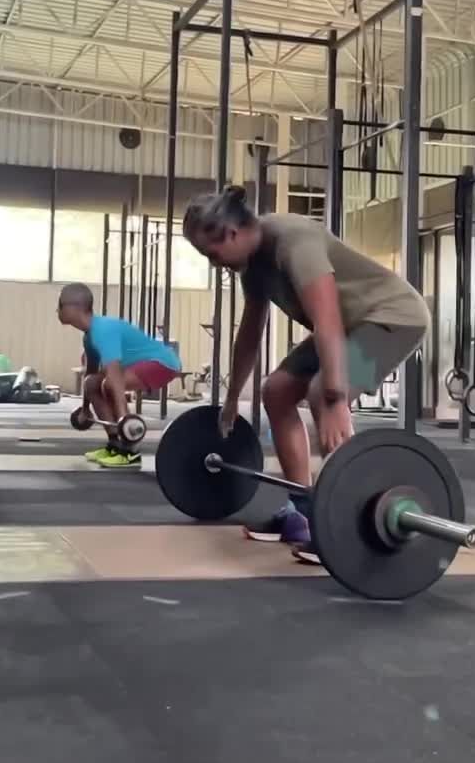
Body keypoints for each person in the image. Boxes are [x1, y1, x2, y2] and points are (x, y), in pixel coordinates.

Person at [182, 186, 430, 562]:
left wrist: (336, 397)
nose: (214, 264)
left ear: (231, 234)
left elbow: (326, 318)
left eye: (211, 254)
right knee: (276, 390)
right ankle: (303, 511)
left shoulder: (294, 243)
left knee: (321, 392)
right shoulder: (253, 263)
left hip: (392, 319)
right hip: (349, 325)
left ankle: (345, 524)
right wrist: (232, 398)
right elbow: (249, 334)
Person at [57, 283, 182, 469]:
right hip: (138, 365)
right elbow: (91, 373)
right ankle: (115, 445)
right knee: (92, 383)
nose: (57, 310)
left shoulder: (103, 330)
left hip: (162, 363)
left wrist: (125, 420)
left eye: (60, 305)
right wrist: (85, 409)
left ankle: (129, 451)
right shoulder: (89, 336)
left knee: (109, 383)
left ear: (74, 307)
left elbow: (114, 375)